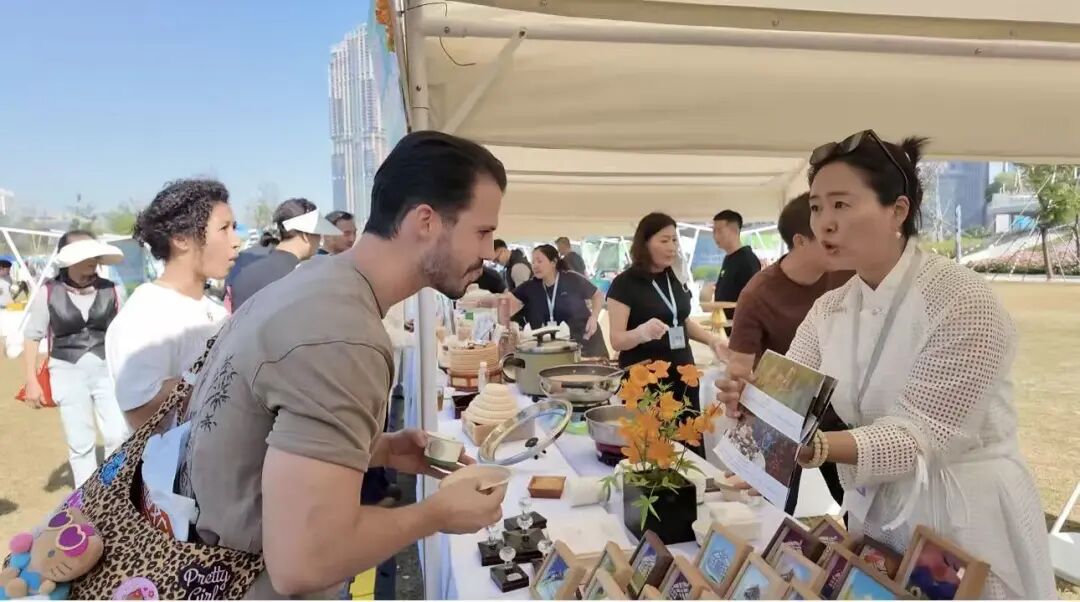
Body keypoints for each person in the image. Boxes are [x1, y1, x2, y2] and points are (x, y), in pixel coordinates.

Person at [717, 130, 1055, 599]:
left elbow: (921, 435)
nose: (825, 223)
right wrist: (752, 400)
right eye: (816, 207)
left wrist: (817, 448)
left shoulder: (962, 300)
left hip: (963, 515)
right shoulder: (831, 308)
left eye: (842, 204)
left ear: (898, 210)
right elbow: (789, 393)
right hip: (878, 515)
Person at [176, 131, 509, 598]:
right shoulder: (345, 334)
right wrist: (434, 514)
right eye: (482, 232)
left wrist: (382, 450)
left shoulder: (313, 285)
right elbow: (305, 562)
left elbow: (257, 444)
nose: (490, 252)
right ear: (427, 221)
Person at [726, 193, 853, 515]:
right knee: (774, 508)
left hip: (846, 411)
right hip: (784, 416)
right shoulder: (757, 293)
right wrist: (737, 394)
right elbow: (739, 368)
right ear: (800, 240)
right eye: (828, 237)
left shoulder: (849, 272)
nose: (840, 244)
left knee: (856, 505)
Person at [105, 179, 241, 430]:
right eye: (224, 229)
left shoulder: (216, 310)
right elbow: (142, 413)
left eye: (235, 228)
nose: (236, 241)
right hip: (176, 467)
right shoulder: (145, 314)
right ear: (181, 239)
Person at [607, 213, 727, 454]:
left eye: (674, 240)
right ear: (645, 243)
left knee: (688, 450)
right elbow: (617, 340)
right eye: (664, 240)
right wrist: (641, 333)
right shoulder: (624, 284)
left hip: (683, 376)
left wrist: (712, 340)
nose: (672, 247)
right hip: (646, 381)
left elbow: (680, 320)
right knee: (652, 452)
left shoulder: (672, 276)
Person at [21, 231, 129, 487]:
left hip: (107, 370)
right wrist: (31, 380)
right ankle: (88, 498)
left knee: (119, 433)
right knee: (80, 442)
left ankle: (114, 489)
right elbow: (32, 336)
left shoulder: (112, 289)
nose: (92, 259)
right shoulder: (47, 292)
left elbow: (124, 330)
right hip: (66, 371)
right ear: (68, 258)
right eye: (85, 253)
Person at [226, 198, 340, 311]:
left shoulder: (245, 272)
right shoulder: (303, 276)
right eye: (318, 233)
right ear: (306, 235)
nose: (320, 238)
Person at [504, 244, 609, 358]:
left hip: (586, 339)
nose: (535, 266)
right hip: (559, 347)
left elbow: (598, 295)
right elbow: (505, 300)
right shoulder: (531, 286)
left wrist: (594, 317)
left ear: (553, 262)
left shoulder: (571, 279)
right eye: (533, 262)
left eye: (539, 261)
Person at [712, 210, 760, 321]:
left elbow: (754, 299)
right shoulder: (728, 258)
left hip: (739, 325)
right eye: (713, 231)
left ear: (734, 231)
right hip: (724, 324)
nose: (715, 236)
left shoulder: (747, 260)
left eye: (719, 231)